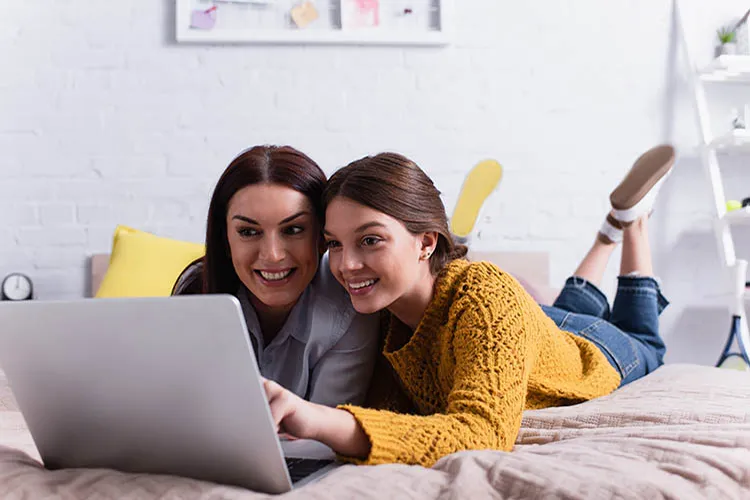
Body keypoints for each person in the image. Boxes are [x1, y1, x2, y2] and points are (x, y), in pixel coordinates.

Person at [261, 145, 675, 467]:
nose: (346, 265)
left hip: (588, 349)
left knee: (644, 340)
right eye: (334, 243)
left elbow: (482, 432)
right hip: (535, 327)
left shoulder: (483, 294)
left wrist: (320, 421)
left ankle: (633, 222)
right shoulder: (380, 312)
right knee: (568, 306)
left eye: (370, 240)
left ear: (426, 242)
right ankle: (606, 234)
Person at [173, 145, 380, 407]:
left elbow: (327, 436)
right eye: (248, 232)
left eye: (293, 229)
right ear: (225, 239)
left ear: (321, 237)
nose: (272, 255)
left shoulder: (351, 304)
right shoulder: (197, 289)